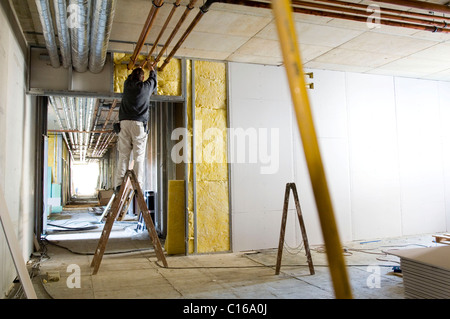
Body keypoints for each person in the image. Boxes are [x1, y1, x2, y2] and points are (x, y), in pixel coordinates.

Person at [114, 66, 157, 192]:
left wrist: (137, 68)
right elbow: (153, 81)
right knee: (138, 157)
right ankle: (137, 185)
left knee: (123, 155)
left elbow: (129, 78)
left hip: (124, 123)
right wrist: (152, 70)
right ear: (142, 78)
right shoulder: (146, 87)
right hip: (139, 125)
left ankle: (118, 185)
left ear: (132, 77)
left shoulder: (127, 85)